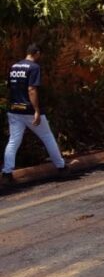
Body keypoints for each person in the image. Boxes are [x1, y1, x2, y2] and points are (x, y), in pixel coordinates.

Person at [2, 43, 66, 184]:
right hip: (29, 110)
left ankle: (7, 173)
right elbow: (31, 89)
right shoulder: (34, 67)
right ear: (36, 53)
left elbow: (10, 88)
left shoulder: (14, 67)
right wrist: (36, 110)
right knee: (47, 137)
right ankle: (61, 167)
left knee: (13, 141)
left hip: (14, 110)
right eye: (39, 54)